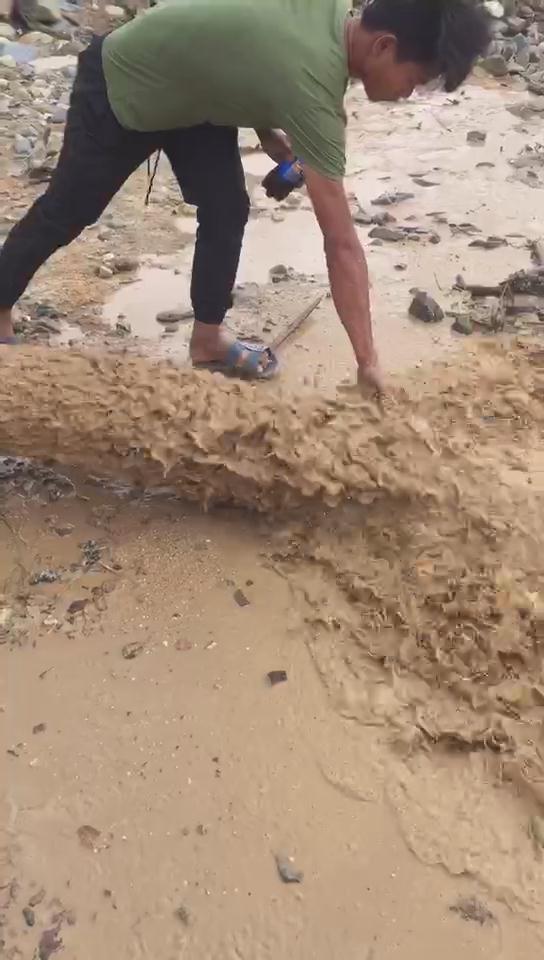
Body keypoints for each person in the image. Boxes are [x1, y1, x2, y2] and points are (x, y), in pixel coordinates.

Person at [0, 0, 490, 390]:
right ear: (384, 45)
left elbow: (246, 42)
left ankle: (208, 338)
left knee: (227, 207)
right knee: (68, 211)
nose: (408, 94)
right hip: (125, 79)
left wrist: (264, 128)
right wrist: (368, 362)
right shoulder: (311, 90)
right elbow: (341, 244)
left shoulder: (329, 13)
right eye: (414, 81)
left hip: (195, 91)